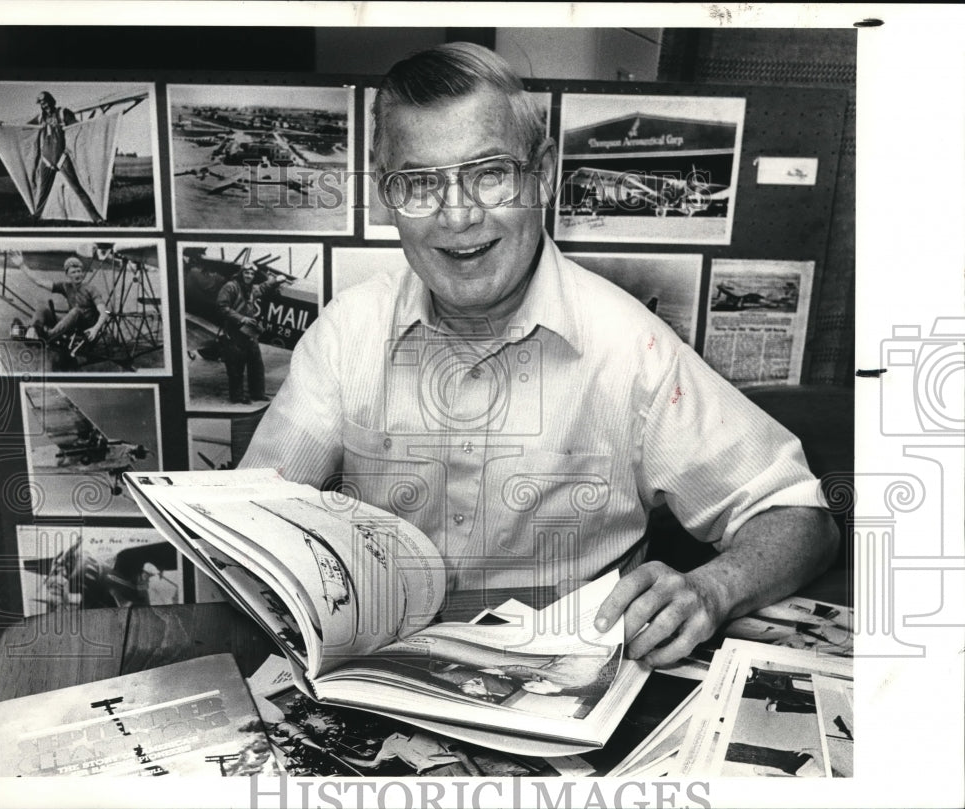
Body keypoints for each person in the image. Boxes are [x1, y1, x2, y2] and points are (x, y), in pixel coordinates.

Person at [241, 42, 839, 668]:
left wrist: (713, 589)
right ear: (388, 196)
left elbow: (796, 514)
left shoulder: (631, 346)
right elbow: (249, 526)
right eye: (420, 182)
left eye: (490, 173)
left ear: (543, 173)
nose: (458, 216)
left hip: (559, 698)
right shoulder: (347, 334)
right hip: (371, 683)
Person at [216, 263, 290, 404]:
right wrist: (241, 318)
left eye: (251, 274)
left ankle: (257, 393)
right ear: (241, 273)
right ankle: (237, 397)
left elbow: (262, 288)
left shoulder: (250, 289)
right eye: (246, 273)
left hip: (249, 332)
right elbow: (221, 306)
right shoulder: (231, 286)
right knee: (236, 366)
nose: (249, 276)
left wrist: (276, 280)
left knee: (256, 364)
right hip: (234, 331)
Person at [29, 91, 106, 224]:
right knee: (43, 191)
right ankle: (36, 217)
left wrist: (92, 123)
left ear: (51, 101)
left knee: (77, 187)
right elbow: (26, 126)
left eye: (46, 102)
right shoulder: (41, 117)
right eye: (41, 103)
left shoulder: (63, 113)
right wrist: (3, 125)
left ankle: (96, 218)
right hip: (46, 158)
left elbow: (77, 127)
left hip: (61, 157)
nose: (44, 105)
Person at [13, 251, 109, 348]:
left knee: (75, 311)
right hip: (72, 325)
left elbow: (104, 313)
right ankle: (33, 330)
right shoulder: (66, 287)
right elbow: (40, 282)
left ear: (83, 273)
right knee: (42, 309)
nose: (77, 275)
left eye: (79, 271)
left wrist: (95, 329)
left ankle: (46, 337)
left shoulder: (91, 289)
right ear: (67, 275)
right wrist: (22, 265)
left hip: (86, 329)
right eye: (73, 272)